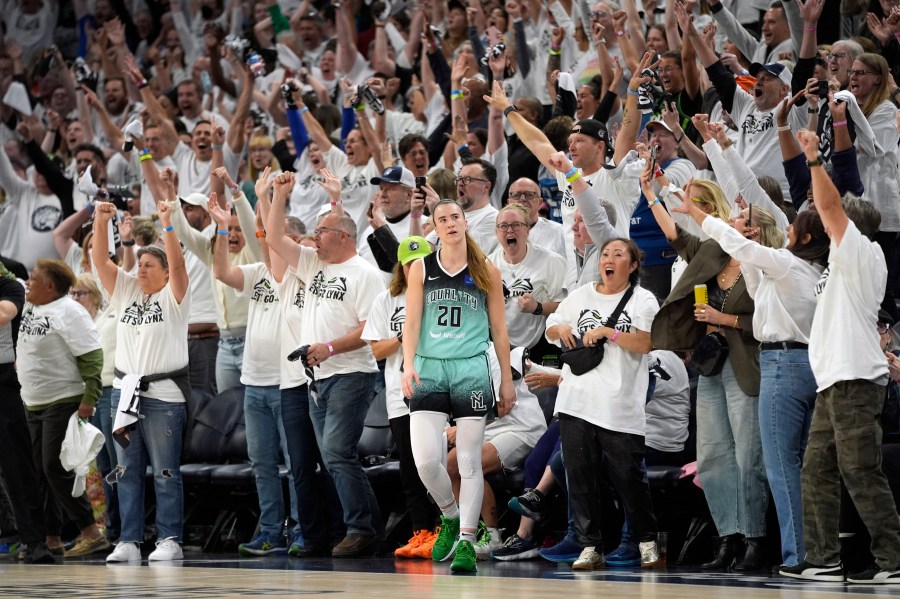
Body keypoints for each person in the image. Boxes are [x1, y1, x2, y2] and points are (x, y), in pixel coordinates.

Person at [671, 190, 830, 569]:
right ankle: (756, 543)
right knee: (765, 462)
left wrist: (694, 211)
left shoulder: (788, 266)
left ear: (805, 239)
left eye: (796, 226)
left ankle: (790, 553)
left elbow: (736, 244)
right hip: (796, 362)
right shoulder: (795, 270)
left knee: (771, 463)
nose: (788, 227)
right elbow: (755, 282)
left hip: (780, 363)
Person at [780, 130, 900, 584]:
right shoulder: (835, 262)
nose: (828, 223)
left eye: (837, 222)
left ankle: (895, 559)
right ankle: (825, 560)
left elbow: (830, 208)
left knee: (860, 471)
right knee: (816, 471)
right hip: (833, 381)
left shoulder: (861, 252)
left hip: (856, 379)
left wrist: (813, 158)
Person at [645, 169, 770, 571]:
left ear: (753, 231)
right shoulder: (713, 253)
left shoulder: (766, 267)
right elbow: (675, 235)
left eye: (737, 219)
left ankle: (755, 540)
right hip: (710, 364)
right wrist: (652, 192)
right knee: (713, 457)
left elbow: (772, 324)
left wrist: (725, 319)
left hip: (746, 363)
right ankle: (727, 539)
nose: (730, 221)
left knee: (748, 457)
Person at [545, 154, 662, 571]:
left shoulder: (644, 300)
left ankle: (647, 541)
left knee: (629, 479)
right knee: (580, 478)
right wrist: (560, 331)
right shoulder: (580, 297)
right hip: (577, 401)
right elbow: (553, 326)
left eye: (618, 253)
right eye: (605, 253)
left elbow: (648, 342)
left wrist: (609, 333)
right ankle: (590, 545)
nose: (608, 258)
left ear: (632, 265)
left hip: (620, 405)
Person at [266, 171, 386, 558]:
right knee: (334, 456)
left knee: (336, 451)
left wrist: (330, 348)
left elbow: (371, 330)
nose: (314, 236)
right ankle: (369, 527)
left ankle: (361, 528)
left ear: (344, 237)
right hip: (317, 378)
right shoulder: (312, 264)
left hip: (353, 374)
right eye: (315, 230)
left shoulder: (365, 274)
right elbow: (272, 238)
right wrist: (278, 195)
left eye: (322, 230)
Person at [401, 199, 516, 574]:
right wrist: (406, 365)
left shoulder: (487, 271)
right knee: (426, 461)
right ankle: (450, 515)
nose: (450, 223)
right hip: (429, 367)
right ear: (434, 227)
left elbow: (500, 330)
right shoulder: (420, 268)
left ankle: (466, 540)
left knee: (468, 460)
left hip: (470, 368)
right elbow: (412, 323)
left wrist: (507, 379)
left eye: (455, 217)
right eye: (442, 219)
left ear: (466, 222)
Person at [92, 198, 191, 563]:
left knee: (166, 471)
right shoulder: (127, 291)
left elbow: (179, 263)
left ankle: (169, 538)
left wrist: (167, 224)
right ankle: (129, 540)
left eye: (150, 265)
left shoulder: (175, 294)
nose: (142, 270)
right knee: (125, 469)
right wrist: (102, 222)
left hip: (164, 395)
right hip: (124, 393)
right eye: (140, 265)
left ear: (165, 272)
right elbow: (102, 262)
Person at [16, 259, 109, 558]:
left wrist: (89, 399)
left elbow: (93, 357)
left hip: (64, 399)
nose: (28, 282)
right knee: (39, 473)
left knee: (54, 467)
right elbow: (6, 274)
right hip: (33, 401)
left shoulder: (70, 312)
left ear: (51, 286)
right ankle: (51, 537)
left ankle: (91, 532)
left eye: (33, 278)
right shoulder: (30, 303)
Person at [362, 236, 440, 560]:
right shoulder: (386, 300)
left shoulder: (441, 298)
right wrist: (405, 333)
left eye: (421, 262)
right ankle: (421, 532)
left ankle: (443, 529)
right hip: (398, 394)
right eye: (409, 263)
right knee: (409, 468)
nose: (414, 268)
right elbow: (377, 349)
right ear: (400, 267)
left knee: (432, 464)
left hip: (435, 390)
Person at [0, 263, 55, 564]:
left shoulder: (10, 288)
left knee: (18, 468)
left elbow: (4, 314)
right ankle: (8, 533)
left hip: (3, 386)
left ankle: (36, 542)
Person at [70, 273, 121, 544]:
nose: (76, 298)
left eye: (82, 293)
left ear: (96, 295)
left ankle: (122, 528)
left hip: (111, 390)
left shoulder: (109, 316)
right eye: (73, 294)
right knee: (101, 466)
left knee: (116, 464)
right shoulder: (72, 325)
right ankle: (110, 527)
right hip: (86, 397)